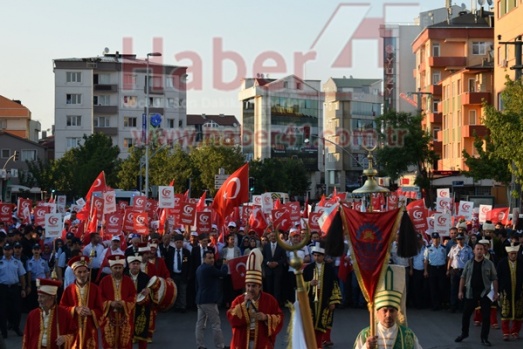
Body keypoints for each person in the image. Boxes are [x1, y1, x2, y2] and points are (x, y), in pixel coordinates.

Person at [354, 265, 423, 349]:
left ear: (397, 312)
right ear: (377, 312)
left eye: (392, 311)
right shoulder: (365, 334)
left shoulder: (407, 335)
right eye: (385, 310)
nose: (388, 315)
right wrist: (366, 347)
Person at [227, 249, 284, 349]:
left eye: (253, 286)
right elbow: (231, 318)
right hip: (242, 342)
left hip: (261, 342)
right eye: (248, 286)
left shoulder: (270, 300)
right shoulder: (239, 300)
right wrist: (244, 305)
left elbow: (280, 317)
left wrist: (266, 317)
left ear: (260, 286)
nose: (250, 289)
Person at [455, 242, 499, 346]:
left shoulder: (489, 264)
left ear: (484, 251)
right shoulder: (469, 263)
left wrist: (496, 293)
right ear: (474, 251)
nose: (479, 251)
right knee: (466, 314)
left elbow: (494, 278)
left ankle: (484, 338)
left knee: (486, 317)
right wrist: (460, 291)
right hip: (471, 292)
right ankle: (464, 333)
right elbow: (463, 277)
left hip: (485, 292)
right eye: (477, 249)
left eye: (481, 249)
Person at [303, 242, 341, 349]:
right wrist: (309, 284)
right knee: (311, 325)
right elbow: (300, 285)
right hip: (310, 301)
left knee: (321, 325)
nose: (316, 257)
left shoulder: (329, 269)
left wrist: (333, 301)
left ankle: (319, 344)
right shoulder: (308, 269)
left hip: (325, 300)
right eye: (314, 255)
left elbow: (335, 285)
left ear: (323, 256)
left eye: (318, 255)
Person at [60, 255, 103, 348]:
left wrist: (91, 312)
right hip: (73, 327)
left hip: (90, 327)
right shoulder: (69, 289)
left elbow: (101, 309)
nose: (82, 275)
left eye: (85, 271)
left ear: (88, 272)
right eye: (79, 272)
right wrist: (75, 309)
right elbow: (62, 308)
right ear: (74, 273)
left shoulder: (95, 289)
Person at [22, 278, 76, 349]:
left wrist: (65, 338)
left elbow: (74, 334)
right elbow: (26, 338)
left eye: (42, 297)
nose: (39, 300)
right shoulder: (32, 315)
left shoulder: (64, 314)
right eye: (38, 296)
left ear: (51, 297)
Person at [98, 255, 136, 349]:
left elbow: (133, 296)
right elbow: (99, 297)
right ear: (111, 268)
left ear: (123, 268)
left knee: (125, 343)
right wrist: (110, 303)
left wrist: (123, 303)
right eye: (115, 268)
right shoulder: (104, 281)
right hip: (109, 317)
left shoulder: (128, 281)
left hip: (125, 316)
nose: (118, 270)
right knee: (108, 343)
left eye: (120, 268)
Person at [195, 250, 229, 349]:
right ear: (204, 258)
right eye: (209, 258)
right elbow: (223, 274)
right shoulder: (209, 269)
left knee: (200, 324)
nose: (212, 260)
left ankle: (200, 346)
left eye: (212, 258)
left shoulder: (199, 268)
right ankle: (220, 346)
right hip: (209, 300)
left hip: (200, 299)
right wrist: (225, 265)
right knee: (215, 324)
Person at [0, 242, 27, 338]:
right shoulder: (0, 261)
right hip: (2, 288)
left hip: (14, 288)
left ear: (12, 251)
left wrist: (23, 288)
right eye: (5, 250)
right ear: (3, 251)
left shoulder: (17, 262)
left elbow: (22, 276)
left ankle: (16, 327)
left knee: (16, 309)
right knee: (2, 311)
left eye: (9, 250)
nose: (7, 251)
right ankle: (4, 331)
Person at [497, 244, 523, 341]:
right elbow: (497, 277)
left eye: (515, 253)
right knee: (505, 312)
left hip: (519, 292)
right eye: (512, 253)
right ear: (508, 253)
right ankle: (506, 332)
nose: (513, 255)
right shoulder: (502, 263)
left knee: (519, 313)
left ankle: (515, 331)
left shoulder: (521, 263)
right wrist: (498, 291)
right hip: (506, 292)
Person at [127, 253, 152, 349]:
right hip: (128, 308)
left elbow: (153, 290)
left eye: (137, 263)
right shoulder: (124, 276)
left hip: (142, 308)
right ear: (129, 265)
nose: (135, 265)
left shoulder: (146, 277)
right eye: (133, 263)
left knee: (142, 333)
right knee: (127, 334)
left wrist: (149, 291)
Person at [446, 233, 473, 312]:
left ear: (464, 239)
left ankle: (462, 306)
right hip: (455, 270)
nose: (460, 241)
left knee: (464, 289)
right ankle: (453, 306)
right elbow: (450, 259)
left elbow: (471, 261)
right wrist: (448, 270)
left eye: (461, 239)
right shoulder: (453, 248)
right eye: (458, 239)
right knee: (453, 289)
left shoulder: (468, 248)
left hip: (464, 271)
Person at [261, 231, 287, 306]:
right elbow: (263, 257)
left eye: (274, 236)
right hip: (268, 270)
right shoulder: (266, 246)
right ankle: (269, 304)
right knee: (269, 288)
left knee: (277, 288)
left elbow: (284, 258)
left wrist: (277, 263)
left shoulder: (281, 246)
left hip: (278, 270)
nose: (273, 237)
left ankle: (276, 305)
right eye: (271, 236)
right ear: (269, 237)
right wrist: (268, 263)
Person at [423, 232, 447, 311]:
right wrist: (426, 271)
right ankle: (434, 305)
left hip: (441, 269)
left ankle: (440, 303)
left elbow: (446, 259)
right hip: (432, 269)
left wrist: (447, 270)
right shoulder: (428, 248)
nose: (435, 240)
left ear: (439, 239)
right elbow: (426, 260)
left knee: (441, 287)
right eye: (434, 238)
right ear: (432, 239)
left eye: (437, 238)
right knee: (433, 287)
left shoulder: (443, 248)